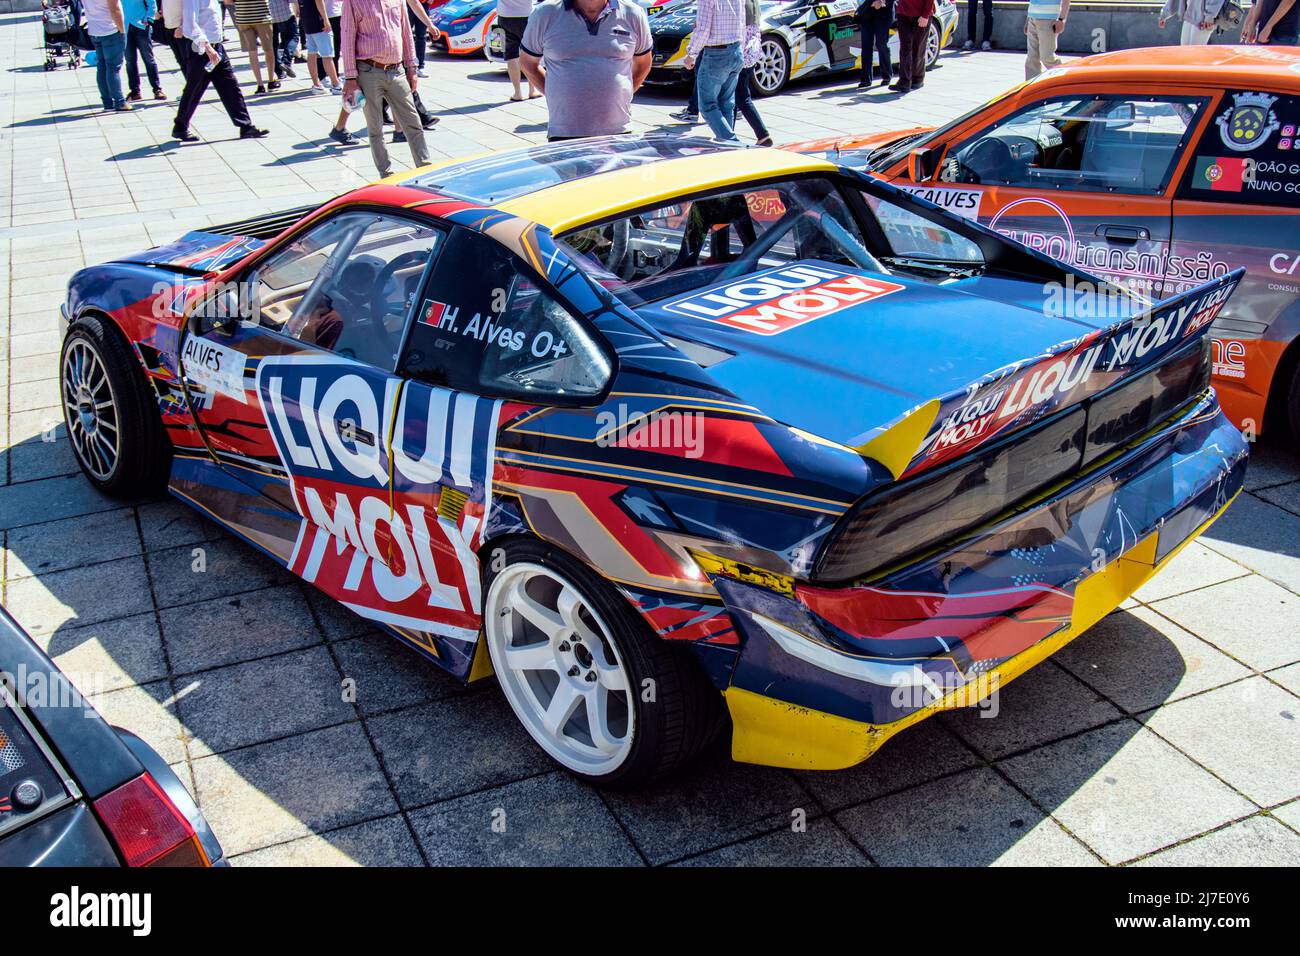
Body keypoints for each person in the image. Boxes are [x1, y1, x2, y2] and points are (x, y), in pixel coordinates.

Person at [519, 0, 652, 141]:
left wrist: (625, 92)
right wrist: (554, 93)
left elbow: (643, 63)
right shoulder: (545, 13)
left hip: (618, 131)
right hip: (564, 133)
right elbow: (528, 63)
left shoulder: (633, 13)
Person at [340, 0, 432, 176]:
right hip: (368, 70)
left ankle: (426, 168)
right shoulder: (352, 2)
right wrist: (350, 77)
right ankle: (386, 174)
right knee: (375, 129)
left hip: (397, 71)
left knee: (413, 122)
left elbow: (405, 32)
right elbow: (347, 39)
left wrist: (411, 67)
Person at [173, 0, 268, 139]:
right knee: (194, 88)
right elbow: (191, 24)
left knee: (230, 86)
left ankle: (245, 126)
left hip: (216, 47)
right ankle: (180, 126)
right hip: (201, 49)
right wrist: (208, 48)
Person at [683, 0, 744, 142]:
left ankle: (732, 143)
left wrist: (691, 54)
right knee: (726, 103)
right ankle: (727, 147)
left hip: (716, 54)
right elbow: (742, 22)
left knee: (707, 106)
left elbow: (703, 29)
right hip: (735, 49)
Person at [84, 0, 130, 111]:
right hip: (110, 30)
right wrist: (122, 31)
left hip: (94, 30)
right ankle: (120, 101)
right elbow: (115, 10)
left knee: (102, 67)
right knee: (113, 67)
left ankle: (107, 102)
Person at [735, 0, 768, 144]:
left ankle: (762, 134)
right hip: (752, 52)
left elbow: (739, 31)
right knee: (737, 97)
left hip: (743, 53)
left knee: (741, 97)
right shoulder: (753, 3)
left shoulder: (742, 4)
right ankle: (761, 135)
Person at [231, 0, 278, 92]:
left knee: (252, 52)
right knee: (268, 49)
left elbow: (228, 1)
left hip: (243, 18)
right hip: (262, 16)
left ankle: (260, 85)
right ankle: (271, 81)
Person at [496, 0, 539, 100]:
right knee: (529, 52)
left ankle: (517, 92)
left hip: (505, 16)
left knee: (511, 55)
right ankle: (532, 90)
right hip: (526, 15)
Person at [122, 0, 165, 100]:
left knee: (149, 59)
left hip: (141, 25)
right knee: (130, 61)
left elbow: (152, 3)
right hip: (124, 27)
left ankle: (157, 89)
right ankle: (135, 91)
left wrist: (149, 18)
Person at [295, 0, 341, 92]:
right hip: (318, 19)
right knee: (327, 55)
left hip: (307, 18)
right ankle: (336, 85)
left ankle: (316, 84)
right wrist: (325, 19)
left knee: (312, 53)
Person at [891, 0, 932, 93]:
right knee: (905, 49)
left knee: (918, 48)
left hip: (921, 14)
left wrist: (925, 15)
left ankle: (917, 79)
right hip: (903, 14)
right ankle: (904, 81)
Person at [1024, 0, 1069, 79]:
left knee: (1047, 58)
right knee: (1032, 58)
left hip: (1049, 20)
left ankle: (1065, 79)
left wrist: (1061, 20)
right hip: (1032, 17)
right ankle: (1032, 87)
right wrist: (1028, 19)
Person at [855, 0, 892, 89]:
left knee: (881, 44)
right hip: (867, 13)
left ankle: (887, 76)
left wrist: (883, 1)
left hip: (883, 14)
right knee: (866, 46)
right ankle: (866, 79)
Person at [269, 0, 297, 77]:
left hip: (269, 16)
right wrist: (297, 8)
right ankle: (286, 61)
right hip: (285, 14)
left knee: (273, 43)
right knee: (292, 37)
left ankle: (279, 71)